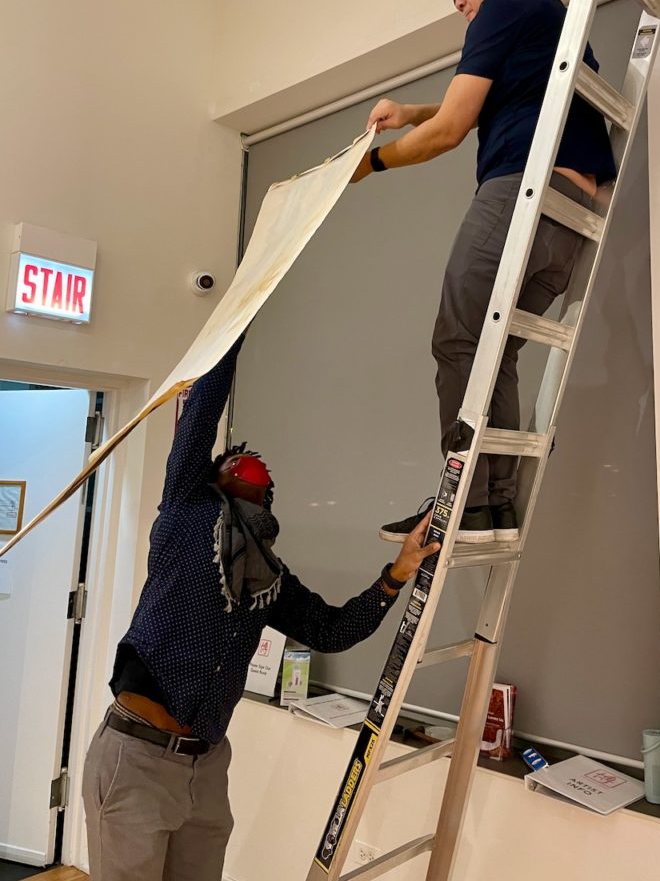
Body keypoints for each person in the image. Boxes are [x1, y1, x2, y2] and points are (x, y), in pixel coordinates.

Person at [81, 335, 438, 881]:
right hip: (136, 759)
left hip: (205, 766)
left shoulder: (265, 578)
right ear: (216, 477)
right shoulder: (185, 514)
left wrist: (397, 575)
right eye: (236, 463)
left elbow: (332, 629)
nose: (252, 466)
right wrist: (242, 318)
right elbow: (202, 413)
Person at [350, 0, 616, 544]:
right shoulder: (547, 16)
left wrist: (368, 166)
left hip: (524, 189)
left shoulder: (502, 9)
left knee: (456, 340)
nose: (459, 1)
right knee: (494, 350)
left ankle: (463, 500)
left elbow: (450, 131)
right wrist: (409, 112)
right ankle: (489, 506)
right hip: (573, 207)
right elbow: (468, 108)